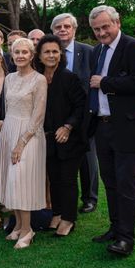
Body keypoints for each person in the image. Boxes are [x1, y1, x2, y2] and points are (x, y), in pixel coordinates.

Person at [87, 5, 135, 256]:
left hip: (127, 128)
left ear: (117, 22)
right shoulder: (97, 51)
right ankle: (115, 228)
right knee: (110, 182)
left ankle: (126, 238)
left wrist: (105, 83)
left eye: (105, 26)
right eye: (96, 29)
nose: (102, 33)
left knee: (126, 185)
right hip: (102, 127)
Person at [0, 38, 47, 249]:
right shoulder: (9, 78)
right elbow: (7, 108)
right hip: (9, 130)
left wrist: (21, 142)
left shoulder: (39, 80)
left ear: (31, 55)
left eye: (24, 52)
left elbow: (38, 115)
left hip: (29, 134)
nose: (20, 56)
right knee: (10, 179)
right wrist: (8, 136)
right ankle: (18, 225)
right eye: (16, 52)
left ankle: (28, 230)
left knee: (20, 180)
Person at [34, 35, 87, 237]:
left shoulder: (69, 78)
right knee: (54, 178)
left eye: (55, 51)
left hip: (69, 139)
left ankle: (68, 218)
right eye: (47, 51)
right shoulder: (37, 79)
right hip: (47, 139)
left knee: (67, 179)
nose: (51, 55)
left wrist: (68, 126)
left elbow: (80, 106)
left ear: (61, 54)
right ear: (39, 56)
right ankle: (56, 213)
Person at [51, 13, 98, 214]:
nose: (62, 30)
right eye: (58, 27)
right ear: (53, 31)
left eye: (66, 26)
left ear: (74, 29)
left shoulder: (88, 52)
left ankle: (89, 198)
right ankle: (60, 201)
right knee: (59, 161)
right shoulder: (48, 54)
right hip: (56, 116)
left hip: (85, 115)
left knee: (87, 159)